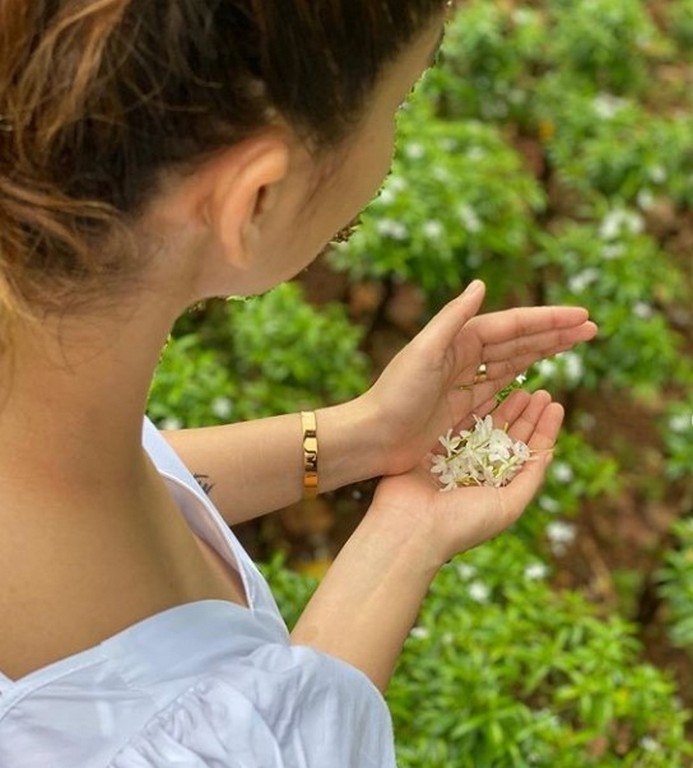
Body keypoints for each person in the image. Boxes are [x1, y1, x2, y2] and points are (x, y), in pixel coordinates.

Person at [0, 1, 597, 765]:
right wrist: (407, 535)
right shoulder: (150, 738)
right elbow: (275, 739)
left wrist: (363, 437)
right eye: (399, 103)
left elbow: (106, 484)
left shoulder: (52, 424)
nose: (388, 149)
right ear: (256, 199)